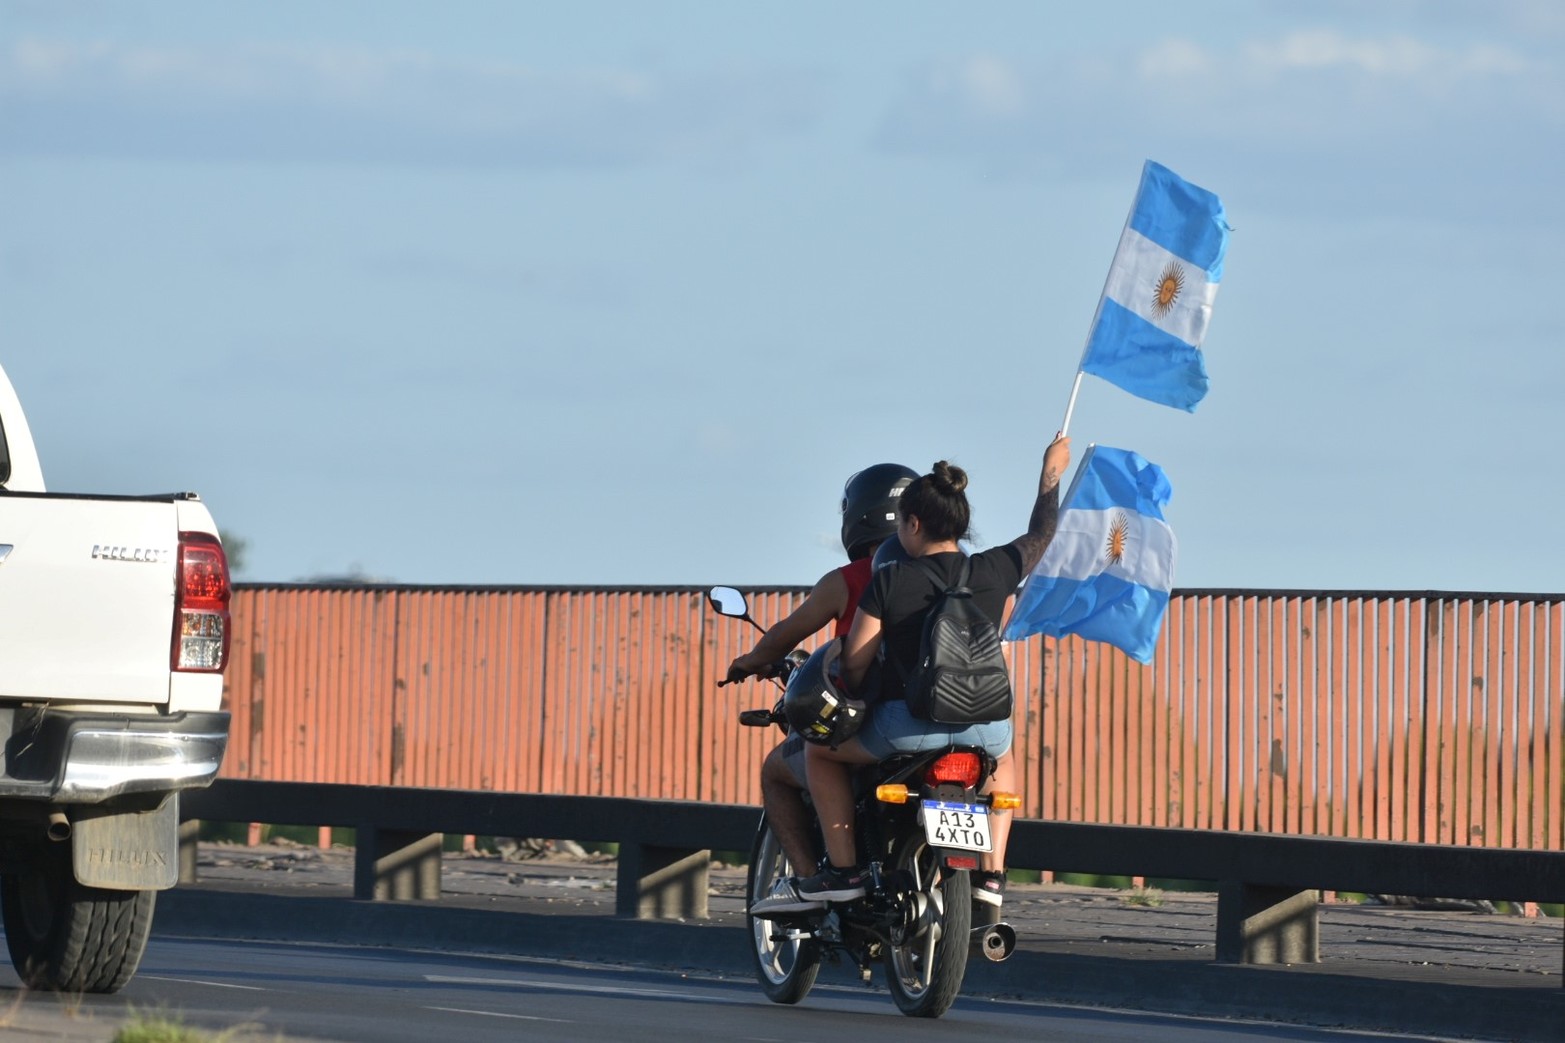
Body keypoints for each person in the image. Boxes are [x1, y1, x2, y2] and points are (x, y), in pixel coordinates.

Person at [760, 435, 1070, 917]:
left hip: (908, 727)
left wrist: (845, 681)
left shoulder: (891, 579)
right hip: (985, 727)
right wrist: (1051, 473)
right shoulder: (995, 568)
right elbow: (1043, 533)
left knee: (819, 754)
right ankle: (992, 876)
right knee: (1004, 757)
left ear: (913, 523)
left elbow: (857, 665)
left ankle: (842, 875)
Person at [725, 463, 917, 881]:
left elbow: (784, 636)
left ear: (858, 516)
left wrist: (750, 661)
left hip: (871, 720)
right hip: (942, 714)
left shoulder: (848, 580)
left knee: (778, 770)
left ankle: (820, 879)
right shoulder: (947, 574)